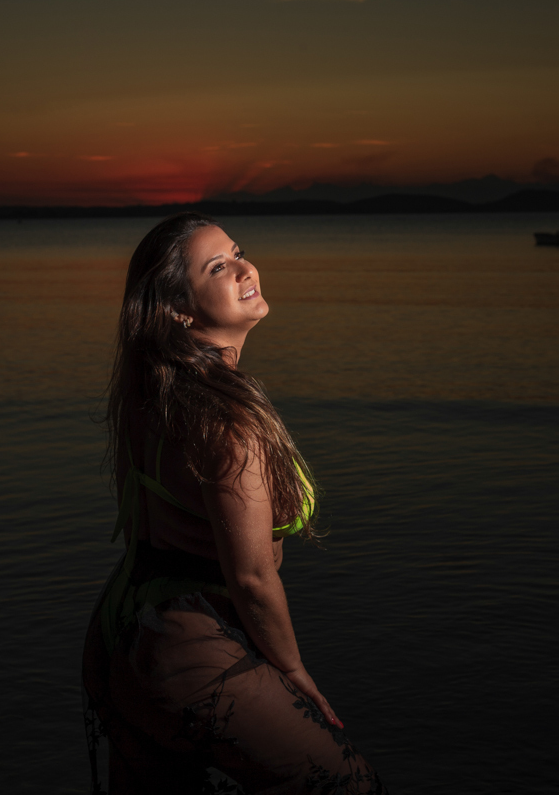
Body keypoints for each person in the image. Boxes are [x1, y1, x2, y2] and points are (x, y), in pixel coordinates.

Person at [82, 213, 386, 794]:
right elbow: (250, 577)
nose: (246, 269)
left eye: (238, 252)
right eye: (218, 267)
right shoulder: (225, 419)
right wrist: (292, 669)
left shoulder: (150, 398)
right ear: (178, 308)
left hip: (123, 636)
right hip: (191, 651)